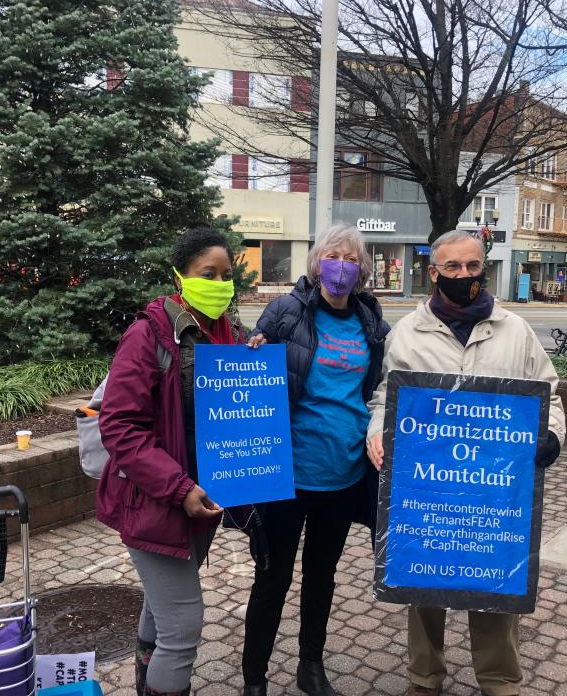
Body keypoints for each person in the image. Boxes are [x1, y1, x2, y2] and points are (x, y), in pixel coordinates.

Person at [366, 229, 565, 696]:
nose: (464, 276)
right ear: (433, 273)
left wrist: (550, 436)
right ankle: (424, 677)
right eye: (452, 268)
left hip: (496, 485)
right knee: (422, 583)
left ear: (484, 267)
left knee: (496, 584)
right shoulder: (409, 333)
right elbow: (385, 395)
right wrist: (378, 431)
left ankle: (499, 681)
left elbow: (547, 391)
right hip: (426, 484)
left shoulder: (514, 329)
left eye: (473, 266)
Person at [242, 223, 391, 696]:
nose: (341, 265)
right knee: (272, 578)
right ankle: (254, 679)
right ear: (316, 261)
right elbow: (249, 369)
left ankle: (311, 666)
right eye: (333, 255)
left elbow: (384, 384)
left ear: (363, 268)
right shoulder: (287, 310)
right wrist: (251, 352)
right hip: (287, 473)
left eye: (351, 257)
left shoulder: (370, 320)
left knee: (321, 577)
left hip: (344, 474)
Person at [96, 227, 245, 696]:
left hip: (204, 502)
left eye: (226, 274)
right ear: (181, 276)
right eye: (208, 273)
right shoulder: (149, 335)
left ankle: (145, 682)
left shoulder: (230, 337)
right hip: (156, 503)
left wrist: (254, 366)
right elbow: (119, 426)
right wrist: (179, 488)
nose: (220, 283)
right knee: (182, 627)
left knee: (161, 612)